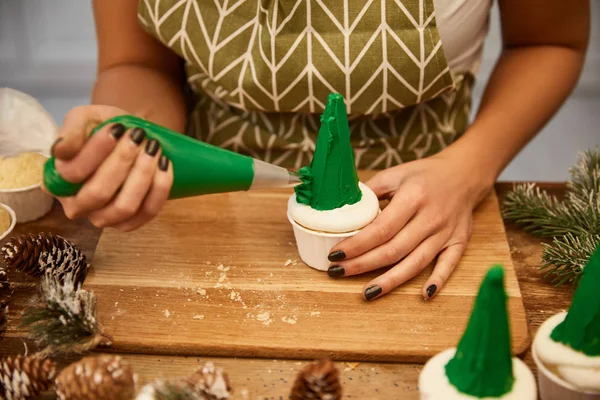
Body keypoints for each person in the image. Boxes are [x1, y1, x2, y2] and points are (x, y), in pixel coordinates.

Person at [46, 0, 590, 301]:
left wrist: (467, 169)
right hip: (203, 212)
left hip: (427, 200)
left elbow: (549, 40)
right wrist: (136, 145)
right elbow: (137, 64)